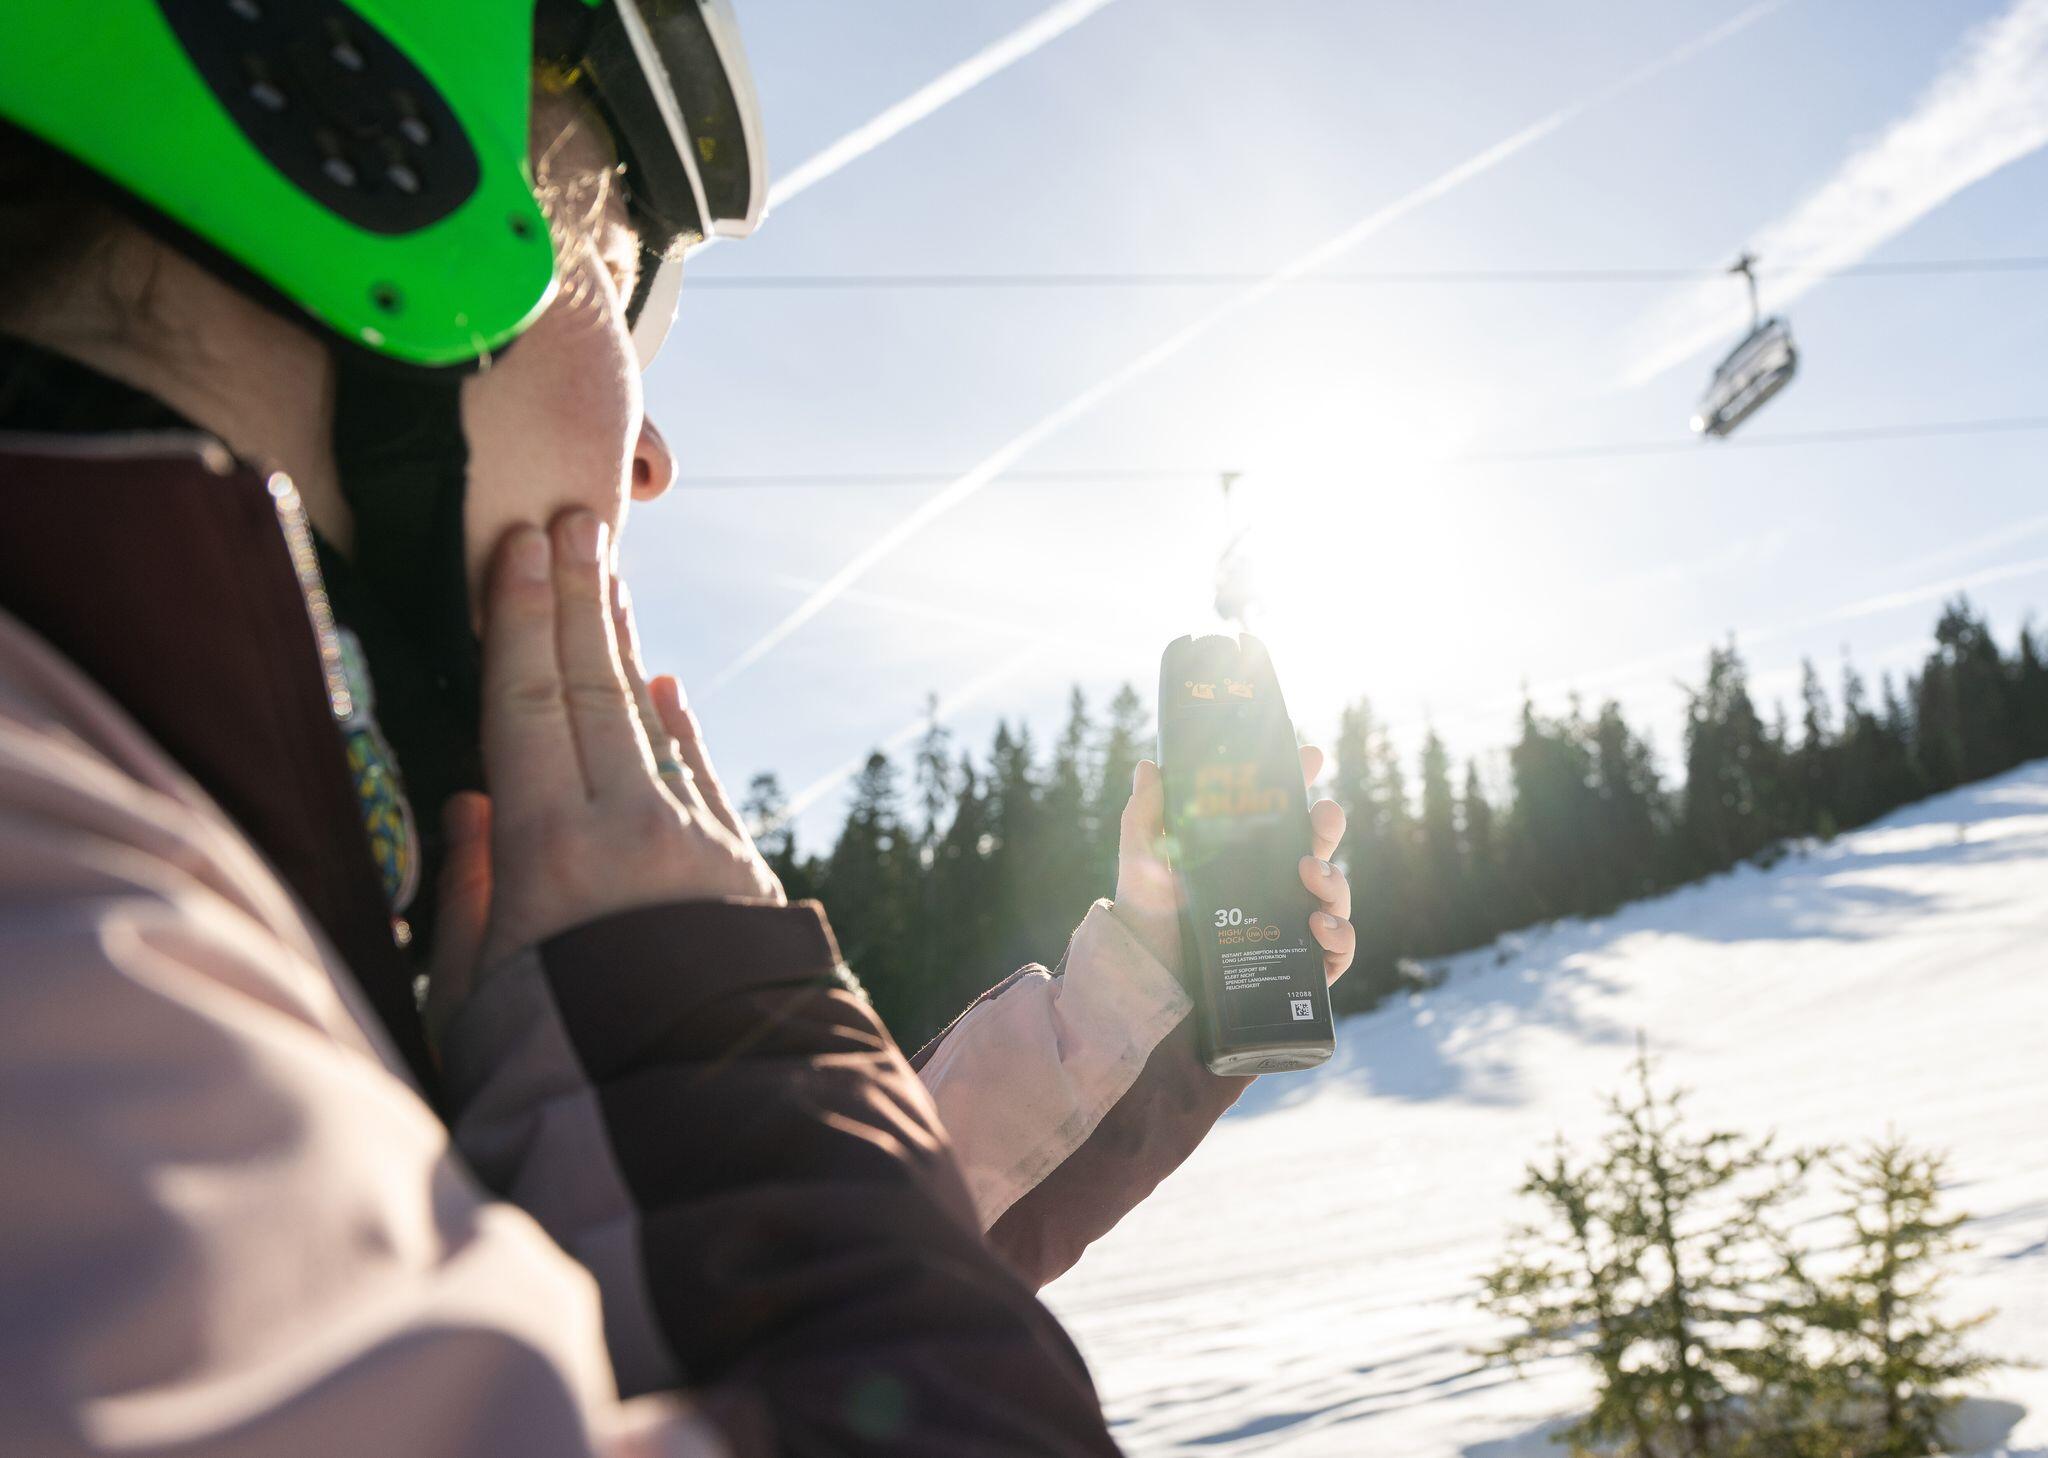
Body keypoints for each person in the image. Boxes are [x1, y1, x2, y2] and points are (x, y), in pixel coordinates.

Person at [0, 4, 1356, 1454]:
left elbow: (689, 1302)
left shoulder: (160, 890)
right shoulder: (69, 924)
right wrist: (685, 1033)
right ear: (353, 164)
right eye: (610, 276)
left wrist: (1142, 998)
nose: (649, 458)